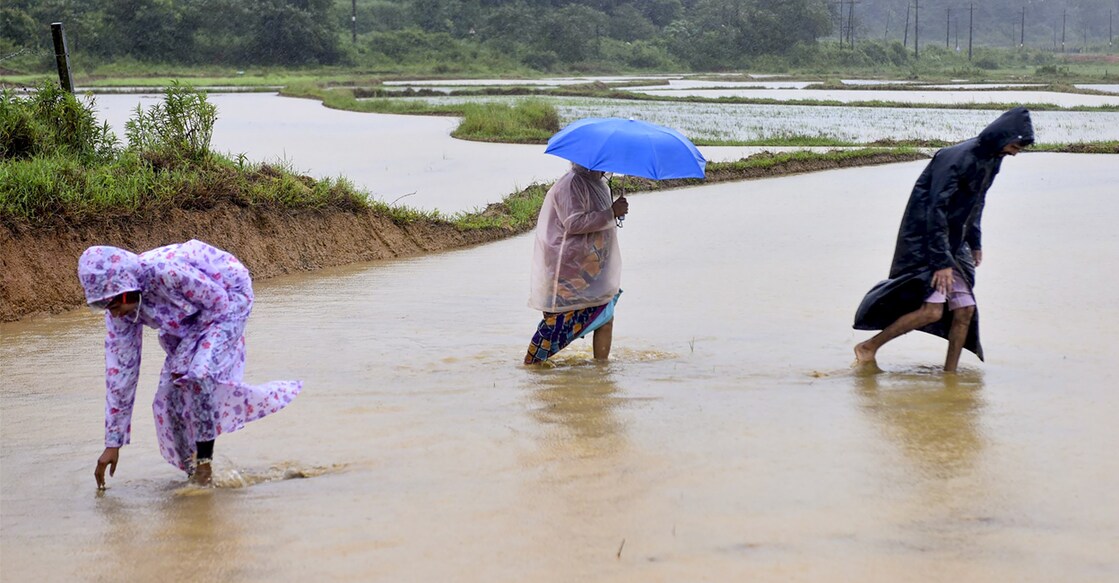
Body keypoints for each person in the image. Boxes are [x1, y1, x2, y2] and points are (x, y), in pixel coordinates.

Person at [78, 239, 302, 487]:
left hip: (228, 296)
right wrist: (113, 443)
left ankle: (204, 466)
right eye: (100, 305)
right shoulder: (120, 313)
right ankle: (192, 472)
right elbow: (120, 372)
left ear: (127, 288)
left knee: (197, 374)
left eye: (111, 303)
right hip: (186, 316)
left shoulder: (167, 272)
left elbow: (217, 302)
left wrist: (184, 356)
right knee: (169, 395)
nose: (112, 312)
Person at [853, 106, 1035, 372]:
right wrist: (941, 262)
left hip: (954, 243)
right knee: (932, 312)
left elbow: (977, 201)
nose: (1018, 151)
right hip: (928, 242)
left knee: (964, 312)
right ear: (1004, 136)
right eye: (1017, 144)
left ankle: (950, 376)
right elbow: (935, 209)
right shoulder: (956, 158)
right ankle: (868, 347)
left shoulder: (993, 159)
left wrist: (975, 242)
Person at [525, 164, 629, 364]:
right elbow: (573, 223)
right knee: (555, 326)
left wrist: (614, 212)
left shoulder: (600, 185)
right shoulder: (571, 184)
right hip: (569, 270)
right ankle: (531, 370)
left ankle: (601, 370)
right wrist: (611, 213)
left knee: (605, 317)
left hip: (593, 268)